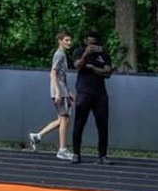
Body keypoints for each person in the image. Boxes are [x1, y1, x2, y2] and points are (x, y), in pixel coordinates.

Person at [28, 29, 75, 159]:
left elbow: (60, 76)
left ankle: (37, 136)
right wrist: (58, 91)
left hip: (62, 91)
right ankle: (62, 150)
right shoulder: (59, 54)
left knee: (61, 119)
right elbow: (53, 73)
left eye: (70, 40)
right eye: (66, 40)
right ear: (60, 41)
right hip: (60, 92)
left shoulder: (62, 55)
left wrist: (68, 91)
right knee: (65, 119)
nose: (69, 42)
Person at [70, 29, 113, 164]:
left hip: (100, 93)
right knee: (79, 124)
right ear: (85, 41)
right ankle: (76, 154)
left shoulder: (104, 54)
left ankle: (102, 155)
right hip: (84, 92)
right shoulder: (79, 52)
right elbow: (78, 66)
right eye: (90, 43)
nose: (92, 46)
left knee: (103, 125)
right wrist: (85, 55)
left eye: (95, 43)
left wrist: (92, 67)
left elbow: (107, 72)